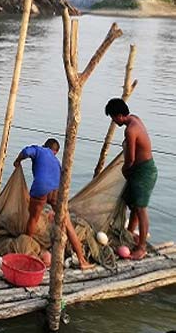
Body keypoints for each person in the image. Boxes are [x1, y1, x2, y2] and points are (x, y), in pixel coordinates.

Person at [14, 138, 94, 270]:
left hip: (41, 188)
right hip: (57, 190)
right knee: (67, 223)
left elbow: (26, 151)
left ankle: (26, 251)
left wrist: (17, 161)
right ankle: (82, 260)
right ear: (55, 151)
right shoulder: (56, 162)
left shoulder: (39, 150)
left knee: (33, 219)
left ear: (45, 145)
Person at [105, 98, 157, 260]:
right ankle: (129, 234)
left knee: (140, 209)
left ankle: (141, 248)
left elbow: (131, 159)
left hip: (144, 171)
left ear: (120, 115)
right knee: (131, 202)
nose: (114, 121)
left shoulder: (130, 130)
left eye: (114, 118)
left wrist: (124, 169)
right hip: (141, 170)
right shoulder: (135, 119)